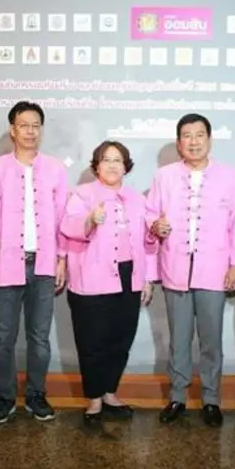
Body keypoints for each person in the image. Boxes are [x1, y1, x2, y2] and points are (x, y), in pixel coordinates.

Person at [147, 113, 235, 427]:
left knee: (211, 340)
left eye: (199, 135)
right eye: (187, 136)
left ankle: (211, 399)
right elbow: (150, 215)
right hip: (176, 267)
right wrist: (155, 225)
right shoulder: (164, 176)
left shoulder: (230, 178)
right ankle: (177, 397)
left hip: (214, 270)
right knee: (178, 339)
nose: (193, 142)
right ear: (179, 143)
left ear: (209, 139)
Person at [0, 101, 68, 425]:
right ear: (12, 130)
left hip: (43, 266)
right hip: (5, 265)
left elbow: (63, 217)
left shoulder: (55, 169)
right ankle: (4, 398)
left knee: (39, 338)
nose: (30, 131)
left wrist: (62, 258)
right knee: (3, 338)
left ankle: (36, 395)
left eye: (35, 125)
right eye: (24, 125)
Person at [61, 141, 156, 423]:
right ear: (96, 166)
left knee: (121, 339)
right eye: (106, 159)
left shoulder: (138, 200)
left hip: (129, 277)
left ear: (126, 167)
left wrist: (147, 279)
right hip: (91, 277)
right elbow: (67, 227)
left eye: (118, 160)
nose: (113, 165)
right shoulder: (81, 194)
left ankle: (110, 392)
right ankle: (94, 398)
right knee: (92, 341)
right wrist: (90, 220)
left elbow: (148, 243)